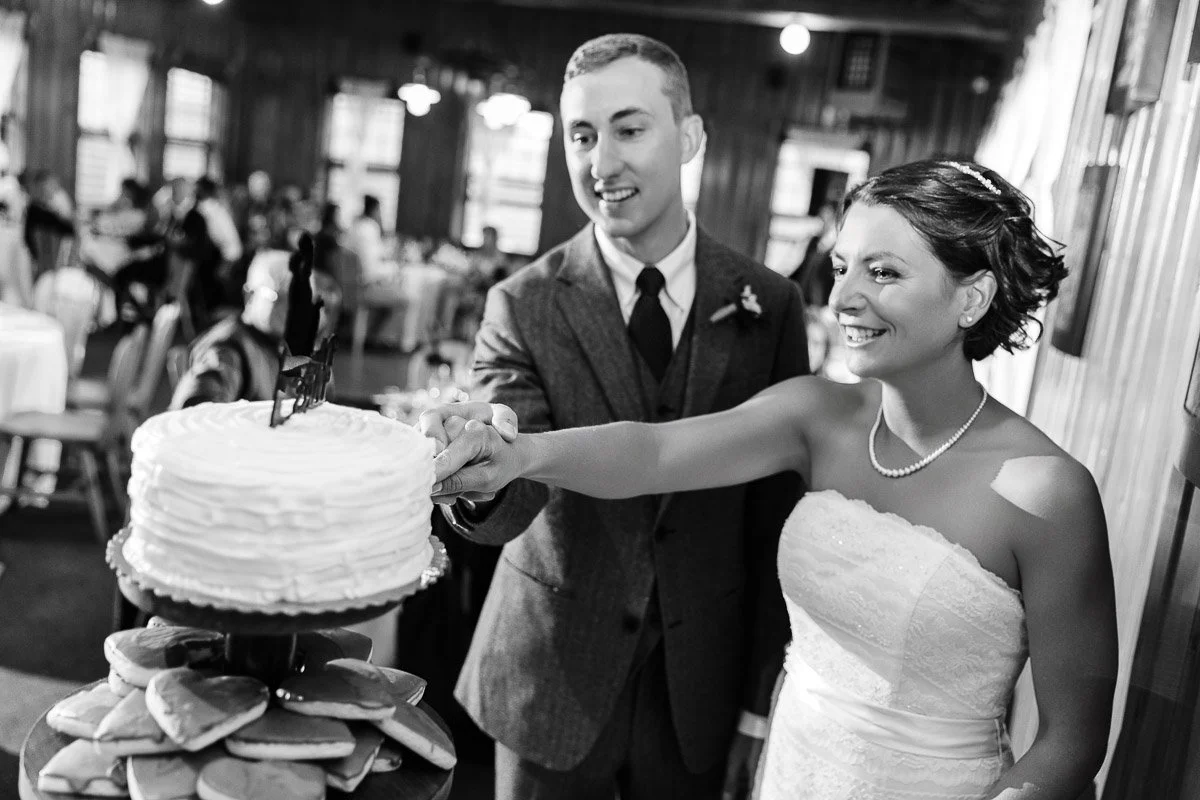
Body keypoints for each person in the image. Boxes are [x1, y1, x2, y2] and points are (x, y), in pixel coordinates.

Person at [423, 159, 1119, 800]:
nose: (842, 296)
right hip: (794, 770)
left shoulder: (1047, 493)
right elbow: (655, 454)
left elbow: (1072, 741)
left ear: (972, 299)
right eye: (843, 266)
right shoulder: (817, 414)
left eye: (883, 273)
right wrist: (523, 455)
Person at [430, 33, 809, 800]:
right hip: (553, 679)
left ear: (690, 137)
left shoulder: (769, 305)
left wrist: (758, 706)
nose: (601, 163)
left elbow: (776, 523)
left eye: (629, 129)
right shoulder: (524, 303)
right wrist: (483, 468)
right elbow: (512, 488)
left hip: (698, 688)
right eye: (582, 134)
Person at [169, 241, 341, 409]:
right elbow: (197, 415)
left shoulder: (283, 344)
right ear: (249, 296)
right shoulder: (228, 350)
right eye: (281, 298)